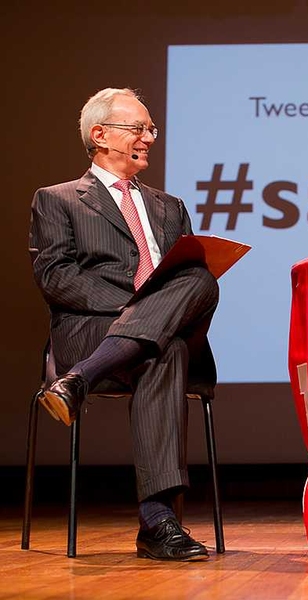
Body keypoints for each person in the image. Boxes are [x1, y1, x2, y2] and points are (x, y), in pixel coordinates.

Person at [29, 88, 219, 561]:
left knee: (199, 278)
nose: (149, 138)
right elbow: (56, 277)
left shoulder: (169, 206)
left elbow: (181, 285)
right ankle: (158, 523)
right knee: (166, 347)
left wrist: (151, 310)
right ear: (99, 135)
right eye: (139, 128)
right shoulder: (58, 200)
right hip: (90, 330)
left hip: (136, 341)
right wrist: (136, 309)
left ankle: (78, 384)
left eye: (151, 129)